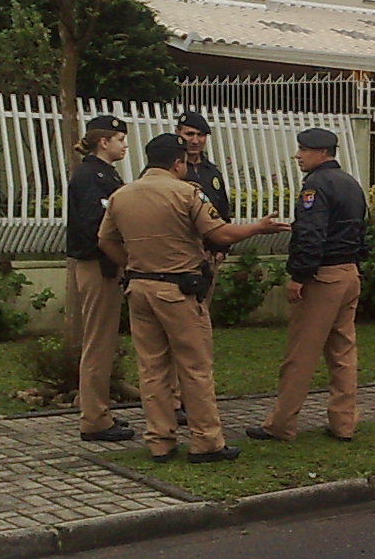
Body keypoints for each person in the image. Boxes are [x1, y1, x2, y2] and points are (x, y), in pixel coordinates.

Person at [97, 133, 289, 463]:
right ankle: (206, 441)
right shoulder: (186, 193)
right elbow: (219, 233)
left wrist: (132, 265)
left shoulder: (121, 196)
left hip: (140, 288)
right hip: (178, 291)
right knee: (195, 366)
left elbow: (105, 241)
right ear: (178, 162)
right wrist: (258, 228)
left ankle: (160, 440)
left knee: (152, 368)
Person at [245, 128, 368, 445]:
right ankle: (344, 422)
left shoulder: (315, 186)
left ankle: (281, 423)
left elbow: (311, 235)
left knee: (301, 352)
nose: (298, 155)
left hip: (323, 277)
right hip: (349, 272)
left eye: (304, 150)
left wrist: (299, 275)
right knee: (343, 351)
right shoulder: (351, 184)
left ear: (323, 153)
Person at [66, 114, 134, 443]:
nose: (124, 145)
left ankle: (99, 410)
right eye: (120, 139)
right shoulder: (91, 175)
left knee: (103, 341)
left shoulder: (103, 173)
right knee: (99, 342)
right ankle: (94, 418)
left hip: (105, 264)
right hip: (97, 264)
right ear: (103, 141)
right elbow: (99, 224)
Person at [171, 110, 232, 425]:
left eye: (200, 135)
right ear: (179, 134)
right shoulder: (170, 168)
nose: (194, 141)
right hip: (178, 260)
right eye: (189, 134)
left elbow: (223, 212)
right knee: (179, 331)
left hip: (207, 258)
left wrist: (222, 247)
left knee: (199, 329)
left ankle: (194, 394)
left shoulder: (211, 171)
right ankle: (175, 398)